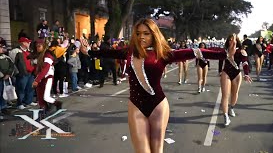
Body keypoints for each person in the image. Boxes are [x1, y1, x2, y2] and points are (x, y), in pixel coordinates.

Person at [90, 18, 226, 153]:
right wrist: (90, 52)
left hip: (158, 106)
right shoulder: (129, 52)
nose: (141, 37)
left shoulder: (162, 53)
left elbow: (195, 52)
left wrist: (223, 54)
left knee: (157, 150)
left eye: (146, 33)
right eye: (138, 33)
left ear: (154, 34)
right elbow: (107, 52)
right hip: (136, 106)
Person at [220, 34, 252, 126]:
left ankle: (232, 108)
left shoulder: (241, 51)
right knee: (225, 95)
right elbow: (220, 61)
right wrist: (219, 71)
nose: (232, 42)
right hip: (226, 73)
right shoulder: (224, 51)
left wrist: (246, 74)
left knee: (235, 93)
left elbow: (245, 63)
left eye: (234, 40)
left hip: (236, 74)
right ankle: (225, 116)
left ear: (237, 41)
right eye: (230, 40)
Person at [32, 39, 62, 113]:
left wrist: (37, 80)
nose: (37, 48)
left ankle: (57, 103)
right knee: (39, 95)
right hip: (40, 77)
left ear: (43, 46)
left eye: (39, 46)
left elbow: (45, 69)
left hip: (48, 77)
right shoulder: (38, 55)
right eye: (37, 46)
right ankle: (45, 107)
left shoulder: (48, 55)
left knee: (46, 96)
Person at [0, 39, 15, 115]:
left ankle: (3, 107)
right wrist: (2, 75)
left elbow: (12, 66)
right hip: (1, 78)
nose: (3, 49)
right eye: (1, 47)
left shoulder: (6, 57)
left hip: (5, 78)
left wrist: (8, 74)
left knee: (4, 93)